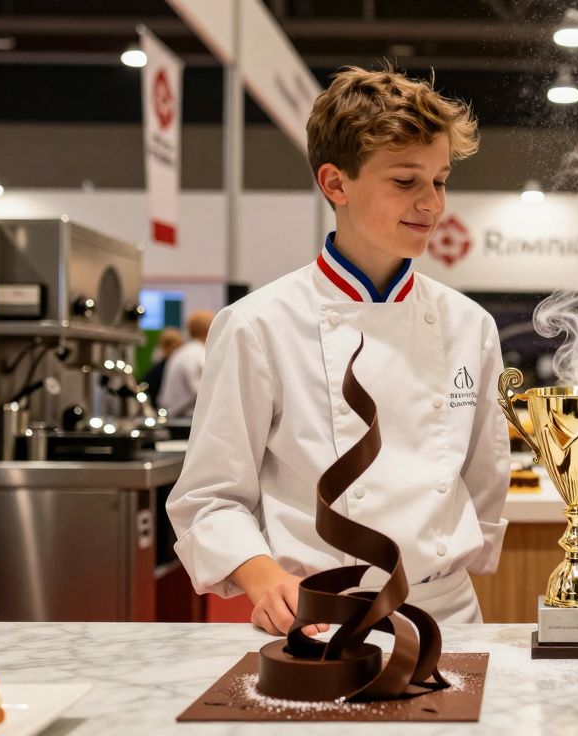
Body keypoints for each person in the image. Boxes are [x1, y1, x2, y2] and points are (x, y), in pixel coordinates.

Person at [167, 67, 510, 634]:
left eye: (441, 180)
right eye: (406, 182)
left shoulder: (469, 324)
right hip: (316, 617)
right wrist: (263, 577)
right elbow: (209, 497)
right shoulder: (257, 324)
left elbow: (484, 481)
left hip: (446, 615)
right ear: (336, 183)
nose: (431, 204)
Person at [158, 311, 214, 417]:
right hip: (184, 419)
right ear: (210, 329)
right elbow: (204, 391)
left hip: (174, 416)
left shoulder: (183, 351)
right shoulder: (198, 354)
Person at [142, 327, 183, 409]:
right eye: (174, 347)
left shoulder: (180, 366)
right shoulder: (156, 371)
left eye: (179, 347)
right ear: (164, 347)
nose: (177, 351)